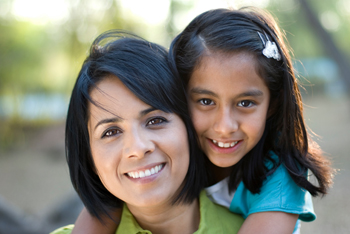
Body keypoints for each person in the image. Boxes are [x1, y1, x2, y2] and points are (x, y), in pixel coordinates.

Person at [71, 7, 334, 234]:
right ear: (179, 97)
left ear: (272, 104)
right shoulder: (172, 147)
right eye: (206, 102)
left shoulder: (280, 174)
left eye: (245, 103)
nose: (224, 126)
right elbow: (105, 204)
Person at [50, 30, 244, 234]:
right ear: (89, 159)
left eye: (155, 120)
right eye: (111, 132)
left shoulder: (257, 227)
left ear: (189, 127)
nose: (138, 148)